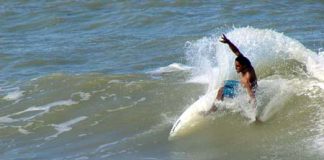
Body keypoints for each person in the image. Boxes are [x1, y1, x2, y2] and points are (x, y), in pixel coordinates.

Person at [210, 34, 258, 112]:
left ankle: (212, 110)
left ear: (243, 66)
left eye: (238, 66)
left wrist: (254, 114)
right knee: (224, 83)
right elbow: (237, 51)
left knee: (221, 90)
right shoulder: (246, 62)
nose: (236, 68)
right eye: (235, 66)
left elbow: (252, 96)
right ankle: (220, 101)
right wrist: (228, 42)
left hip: (243, 92)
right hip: (241, 85)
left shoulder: (246, 78)